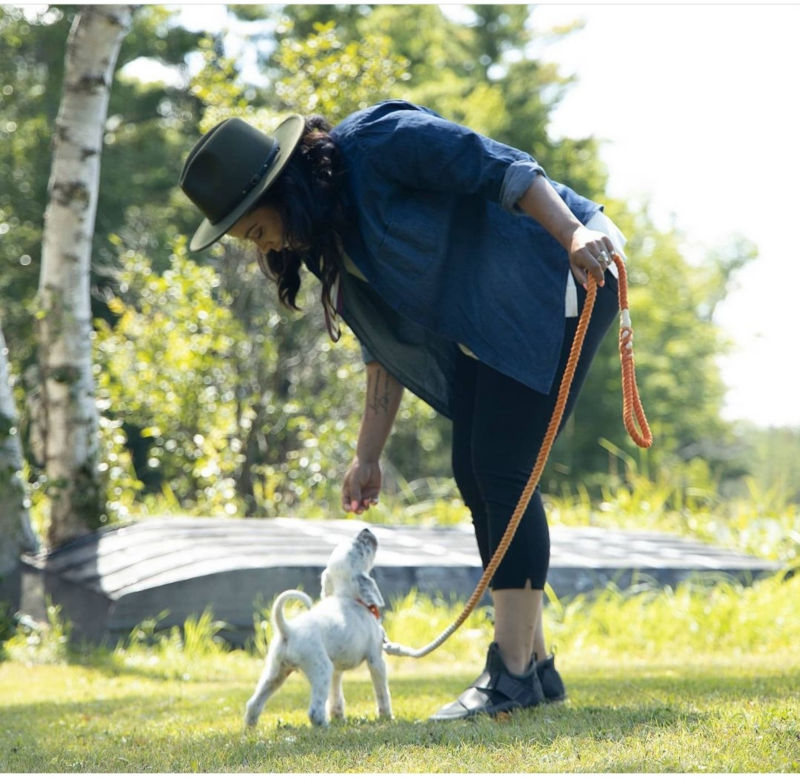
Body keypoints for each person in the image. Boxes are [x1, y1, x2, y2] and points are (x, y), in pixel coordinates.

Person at [179, 100, 625, 720]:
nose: (264, 248)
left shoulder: (378, 144)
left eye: (256, 230)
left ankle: (513, 675)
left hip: (560, 268)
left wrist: (574, 234)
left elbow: (504, 167)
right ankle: (536, 669)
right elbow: (383, 340)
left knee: (501, 468)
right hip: (488, 316)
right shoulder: (320, 234)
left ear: (281, 187)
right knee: (477, 471)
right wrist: (368, 454)